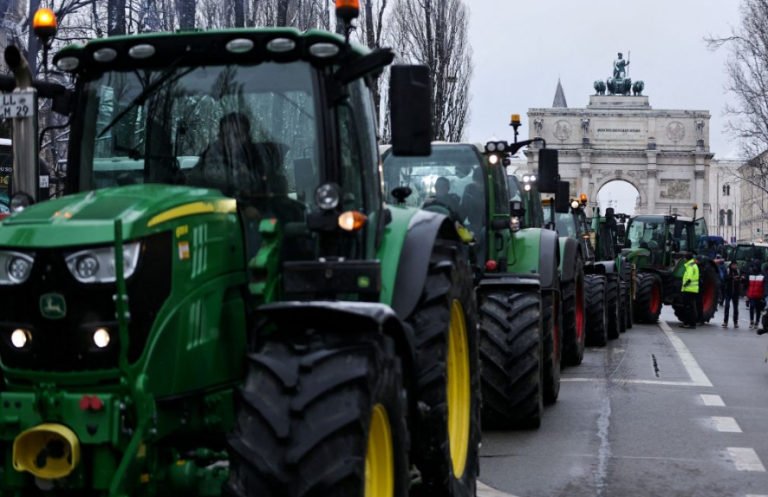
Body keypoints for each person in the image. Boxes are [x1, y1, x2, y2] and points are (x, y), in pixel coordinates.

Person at [188, 112, 267, 193]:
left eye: (237, 135)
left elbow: (262, 184)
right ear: (220, 136)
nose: (231, 140)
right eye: (227, 134)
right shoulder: (209, 154)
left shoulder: (256, 157)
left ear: (246, 137)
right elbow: (193, 179)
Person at [722, 260, 744, 328]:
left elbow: (742, 276)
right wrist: (732, 278)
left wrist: (741, 278)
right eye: (734, 265)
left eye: (736, 265)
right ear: (731, 265)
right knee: (727, 306)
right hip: (728, 291)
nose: (735, 266)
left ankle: (735, 322)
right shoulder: (728, 270)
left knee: (735, 308)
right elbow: (725, 277)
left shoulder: (738, 271)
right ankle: (725, 321)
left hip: (736, 292)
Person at [746, 261, 767, 329]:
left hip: (759, 294)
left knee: (758, 309)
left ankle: (757, 322)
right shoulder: (750, 272)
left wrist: (765, 293)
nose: (754, 267)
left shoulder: (763, 274)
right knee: (752, 307)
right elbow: (747, 282)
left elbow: (765, 284)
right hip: (751, 293)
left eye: (755, 266)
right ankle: (752, 321)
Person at [680, 252, 699, 329]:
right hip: (691, 289)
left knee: (688, 307)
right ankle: (688, 323)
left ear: (687, 258)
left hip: (689, 289)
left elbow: (689, 277)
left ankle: (690, 323)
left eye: (685, 257)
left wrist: (685, 285)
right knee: (689, 307)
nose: (684, 259)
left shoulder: (690, 266)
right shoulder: (692, 265)